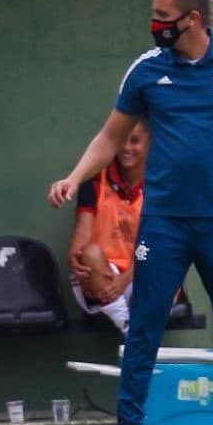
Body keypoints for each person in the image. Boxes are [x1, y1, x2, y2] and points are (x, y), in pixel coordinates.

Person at [49, 0, 213, 425]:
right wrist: (74, 178)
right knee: (145, 325)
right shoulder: (146, 70)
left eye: (163, 18)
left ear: (192, 19)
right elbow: (110, 137)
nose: (155, 26)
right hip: (164, 223)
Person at [65, 122, 149, 335]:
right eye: (122, 140)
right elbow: (81, 241)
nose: (127, 148)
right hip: (102, 276)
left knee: (165, 258)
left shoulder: (159, 185)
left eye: (135, 141)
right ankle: (128, 328)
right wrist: (75, 257)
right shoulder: (95, 180)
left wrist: (125, 280)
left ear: (150, 143)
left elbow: (159, 245)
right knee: (88, 254)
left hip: (140, 275)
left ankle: (134, 331)